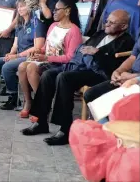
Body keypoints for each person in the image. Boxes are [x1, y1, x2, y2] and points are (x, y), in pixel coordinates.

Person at [20, 9, 135, 146]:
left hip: (100, 73)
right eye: (107, 21)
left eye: (112, 22)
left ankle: (65, 128)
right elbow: (81, 49)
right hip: (81, 66)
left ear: (124, 26)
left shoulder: (127, 41)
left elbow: (113, 67)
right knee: (47, 75)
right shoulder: (100, 33)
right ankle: (41, 121)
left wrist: (97, 53)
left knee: (65, 78)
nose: (107, 24)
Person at [17, 0, 83, 116]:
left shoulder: (74, 30)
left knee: (31, 67)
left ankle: (43, 106)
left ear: (67, 11)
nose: (54, 11)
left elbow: (70, 57)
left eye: (57, 9)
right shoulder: (53, 26)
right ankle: (29, 101)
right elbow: (46, 48)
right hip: (48, 61)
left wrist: (46, 58)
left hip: (62, 65)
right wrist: (38, 51)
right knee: (22, 66)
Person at [0, 0, 47, 111]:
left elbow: (38, 47)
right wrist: (10, 53)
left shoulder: (37, 23)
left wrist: (16, 56)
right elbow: (15, 44)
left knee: (7, 67)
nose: (20, 9)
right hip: (18, 55)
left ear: (30, 6)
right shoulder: (20, 24)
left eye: (23, 6)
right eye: (18, 6)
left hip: (30, 57)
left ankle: (13, 96)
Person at [84, 38, 140, 104]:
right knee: (91, 94)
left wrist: (134, 77)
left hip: (136, 80)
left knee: (118, 104)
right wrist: (118, 71)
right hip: (130, 76)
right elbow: (132, 58)